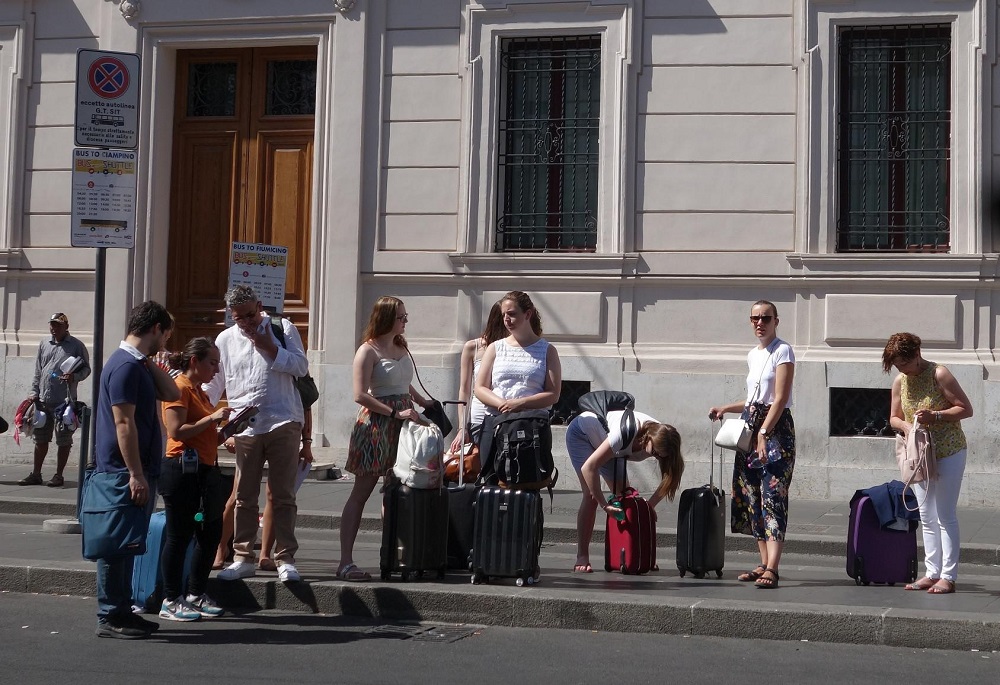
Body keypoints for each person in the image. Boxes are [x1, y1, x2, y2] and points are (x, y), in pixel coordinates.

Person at [205, 285, 310, 583]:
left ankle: (286, 557)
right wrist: (201, 409)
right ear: (231, 315)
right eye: (240, 318)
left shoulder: (282, 328)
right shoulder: (225, 339)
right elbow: (216, 381)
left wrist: (270, 347)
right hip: (245, 424)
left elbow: (301, 367)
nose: (248, 323)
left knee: (282, 494)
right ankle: (242, 556)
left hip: (283, 419)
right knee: (243, 495)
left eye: (251, 315)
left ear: (260, 305)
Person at [94, 301, 180, 639]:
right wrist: (136, 474)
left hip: (139, 470)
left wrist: (146, 358)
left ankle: (123, 610)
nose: (167, 345)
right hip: (122, 471)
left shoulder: (137, 364)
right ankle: (110, 615)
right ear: (156, 329)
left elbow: (171, 392)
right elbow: (123, 423)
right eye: (166, 335)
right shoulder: (125, 367)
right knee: (115, 546)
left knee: (129, 543)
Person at [339, 296, 432, 581]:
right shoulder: (367, 351)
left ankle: (393, 554)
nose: (406, 321)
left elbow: (404, 382)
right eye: (401, 317)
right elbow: (360, 394)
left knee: (395, 491)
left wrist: (424, 403)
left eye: (406, 316)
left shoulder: (401, 345)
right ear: (387, 318)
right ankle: (345, 562)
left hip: (404, 421)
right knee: (362, 491)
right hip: (377, 425)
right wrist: (395, 413)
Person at [708, 300, 795, 590]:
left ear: (776, 321)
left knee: (773, 495)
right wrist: (725, 408)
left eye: (765, 318)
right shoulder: (753, 354)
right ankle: (762, 563)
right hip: (751, 427)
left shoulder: (783, 350)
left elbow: (779, 398)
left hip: (776, 430)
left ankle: (773, 567)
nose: (760, 323)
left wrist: (764, 433)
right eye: (755, 318)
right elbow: (752, 399)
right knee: (751, 496)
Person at [883, 332, 973, 595]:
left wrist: (936, 415)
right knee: (926, 514)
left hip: (948, 451)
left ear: (917, 354)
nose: (902, 370)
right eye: (898, 366)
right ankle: (932, 572)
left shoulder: (939, 374)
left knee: (945, 514)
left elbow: (966, 409)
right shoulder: (901, 381)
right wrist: (907, 425)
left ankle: (948, 576)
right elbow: (893, 418)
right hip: (919, 453)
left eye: (904, 364)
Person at [157, 337, 233, 621]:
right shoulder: (178, 387)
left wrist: (226, 430)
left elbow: (204, 433)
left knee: (210, 532)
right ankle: (170, 598)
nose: (216, 370)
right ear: (194, 362)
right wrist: (213, 419)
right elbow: (176, 430)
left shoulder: (200, 392)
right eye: (212, 363)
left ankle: (196, 593)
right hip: (181, 469)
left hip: (204, 469)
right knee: (179, 535)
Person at [569, 408, 684, 573]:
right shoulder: (625, 434)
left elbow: (670, 478)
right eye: (656, 454)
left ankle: (636, 556)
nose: (658, 458)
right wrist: (604, 505)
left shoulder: (666, 439)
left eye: (661, 457)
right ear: (647, 438)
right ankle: (582, 556)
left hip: (613, 450)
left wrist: (649, 506)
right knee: (591, 496)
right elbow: (590, 467)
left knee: (626, 500)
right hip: (582, 435)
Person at [19, 312, 91, 487]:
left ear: (66, 327)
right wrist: (33, 392)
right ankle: (36, 474)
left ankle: (59, 475)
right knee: (40, 439)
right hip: (42, 401)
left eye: (58, 325)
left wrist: (74, 376)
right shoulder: (44, 344)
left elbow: (86, 369)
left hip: (64, 403)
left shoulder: (76, 346)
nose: (54, 328)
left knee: (64, 440)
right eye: (52, 325)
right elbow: (38, 370)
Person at [474, 290, 562, 420]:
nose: (506, 320)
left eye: (511, 314)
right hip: (496, 421)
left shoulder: (548, 350)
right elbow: (480, 388)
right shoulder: (495, 348)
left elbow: (553, 394)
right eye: (503, 315)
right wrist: (503, 404)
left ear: (527, 314)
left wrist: (520, 403)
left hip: (531, 424)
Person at [448, 301, 505, 454]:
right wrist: (462, 427)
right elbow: (464, 389)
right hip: (479, 418)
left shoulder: (514, 347)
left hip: (507, 417)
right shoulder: (473, 347)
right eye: (505, 316)